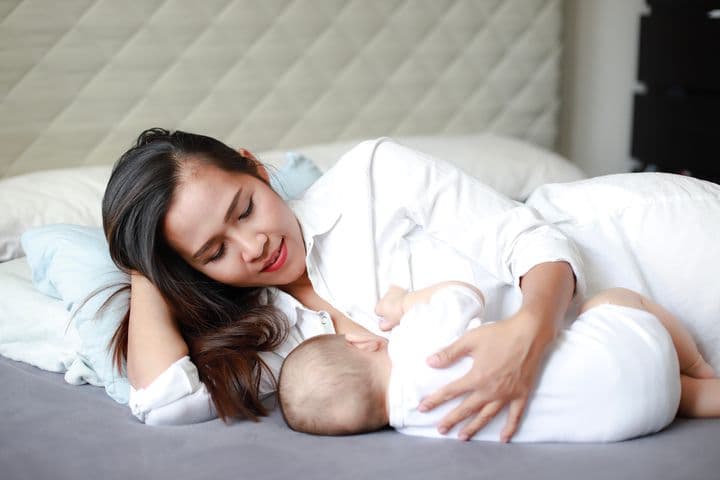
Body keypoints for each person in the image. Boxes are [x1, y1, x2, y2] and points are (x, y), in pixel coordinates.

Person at [102, 128, 679, 440]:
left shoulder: (373, 177)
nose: (253, 247)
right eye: (215, 252)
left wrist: (530, 332)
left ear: (256, 167)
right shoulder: (264, 336)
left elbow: (534, 243)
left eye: (245, 209)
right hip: (614, 364)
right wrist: (146, 266)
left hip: (643, 252)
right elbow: (165, 402)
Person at [277, 283, 718, 441]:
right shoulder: (413, 345)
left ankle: (693, 392)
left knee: (671, 393)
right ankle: (699, 366)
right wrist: (404, 302)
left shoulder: (422, 428)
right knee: (615, 298)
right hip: (626, 352)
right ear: (360, 344)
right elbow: (464, 294)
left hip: (634, 417)